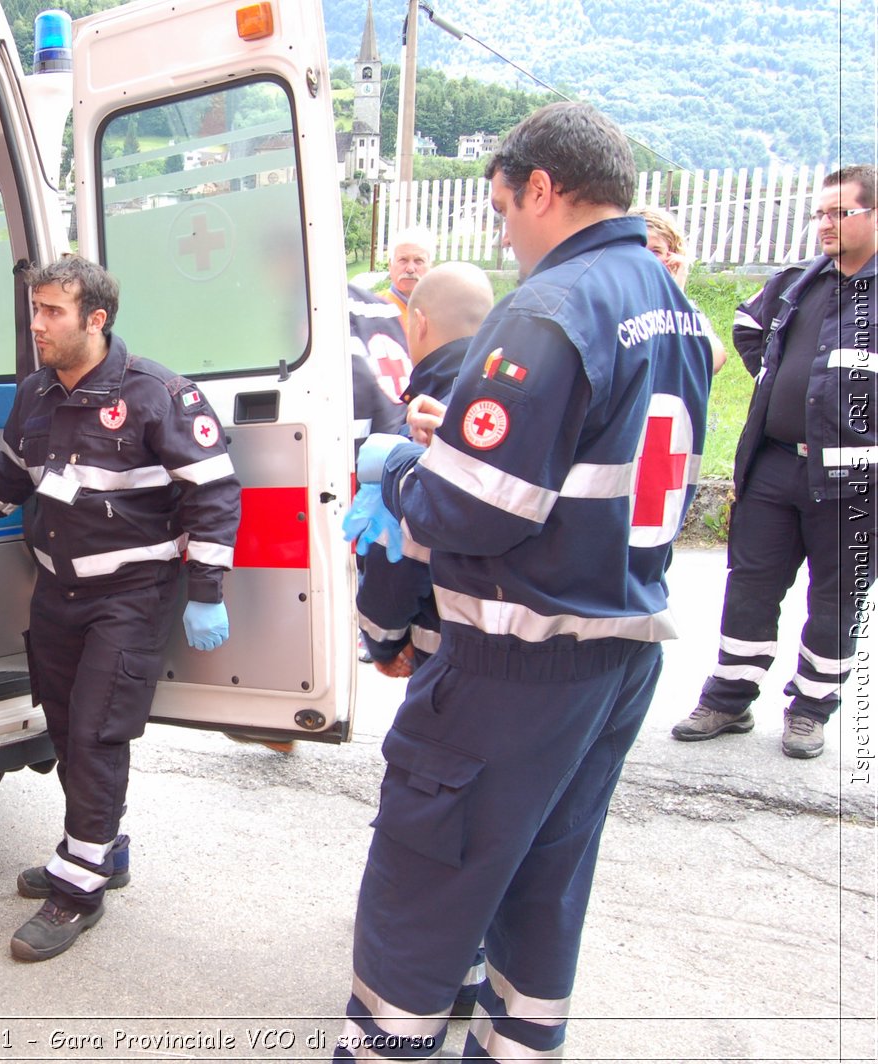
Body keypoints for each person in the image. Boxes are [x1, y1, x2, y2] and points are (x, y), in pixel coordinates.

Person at [335, 102, 712, 1060]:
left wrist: (406, 469)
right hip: (617, 649)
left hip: (515, 660)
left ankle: (385, 1045)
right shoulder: (673, 306)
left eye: (505, 207)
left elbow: (476, 509)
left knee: (426, 872)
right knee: (548, 871)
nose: (504, 232)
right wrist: (455, 442)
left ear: (544, 188)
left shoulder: (553, 306)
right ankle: (518, 1044)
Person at [0, 255, 240, 962]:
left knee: (97, 734)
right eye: (33, 308)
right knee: (68, 727)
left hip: (130, 596)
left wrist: (207, 592)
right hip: (57, 595)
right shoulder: (35, 393)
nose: (36, 324)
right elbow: (11, 476)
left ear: (95, 319)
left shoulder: (157, 393)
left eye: (52, 312)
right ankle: (97, 849)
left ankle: (78, 892)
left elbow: (215, 494)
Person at [671, 164, 876, 759]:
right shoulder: (796, 283)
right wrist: (775, 375)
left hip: (854, 482)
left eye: (841, 213)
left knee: (838, 596)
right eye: (820, 213)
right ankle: (729, 700)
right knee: (751, 587)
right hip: (773, 467)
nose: (825, 225)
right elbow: (746, 325)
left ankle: (810, 709)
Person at [355, 262, 494, 680]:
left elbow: (401, 547)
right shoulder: (504, 402)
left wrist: (383, 641)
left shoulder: (425, 421)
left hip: (445, 651)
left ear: (418, 323)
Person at [628, 205, 728, 372]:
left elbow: (715, 360)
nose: (646, 259)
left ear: (672, 255)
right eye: (638, 249)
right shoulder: (616, 300)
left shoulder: (681, 305)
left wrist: (677, 296)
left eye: (656, 251)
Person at [382, 226, 436, 330]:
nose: (410, 269)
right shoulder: (373, 309)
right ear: (390, 265)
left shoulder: (442, 311)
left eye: (418, 261)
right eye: (403, 260)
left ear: (430, 266)